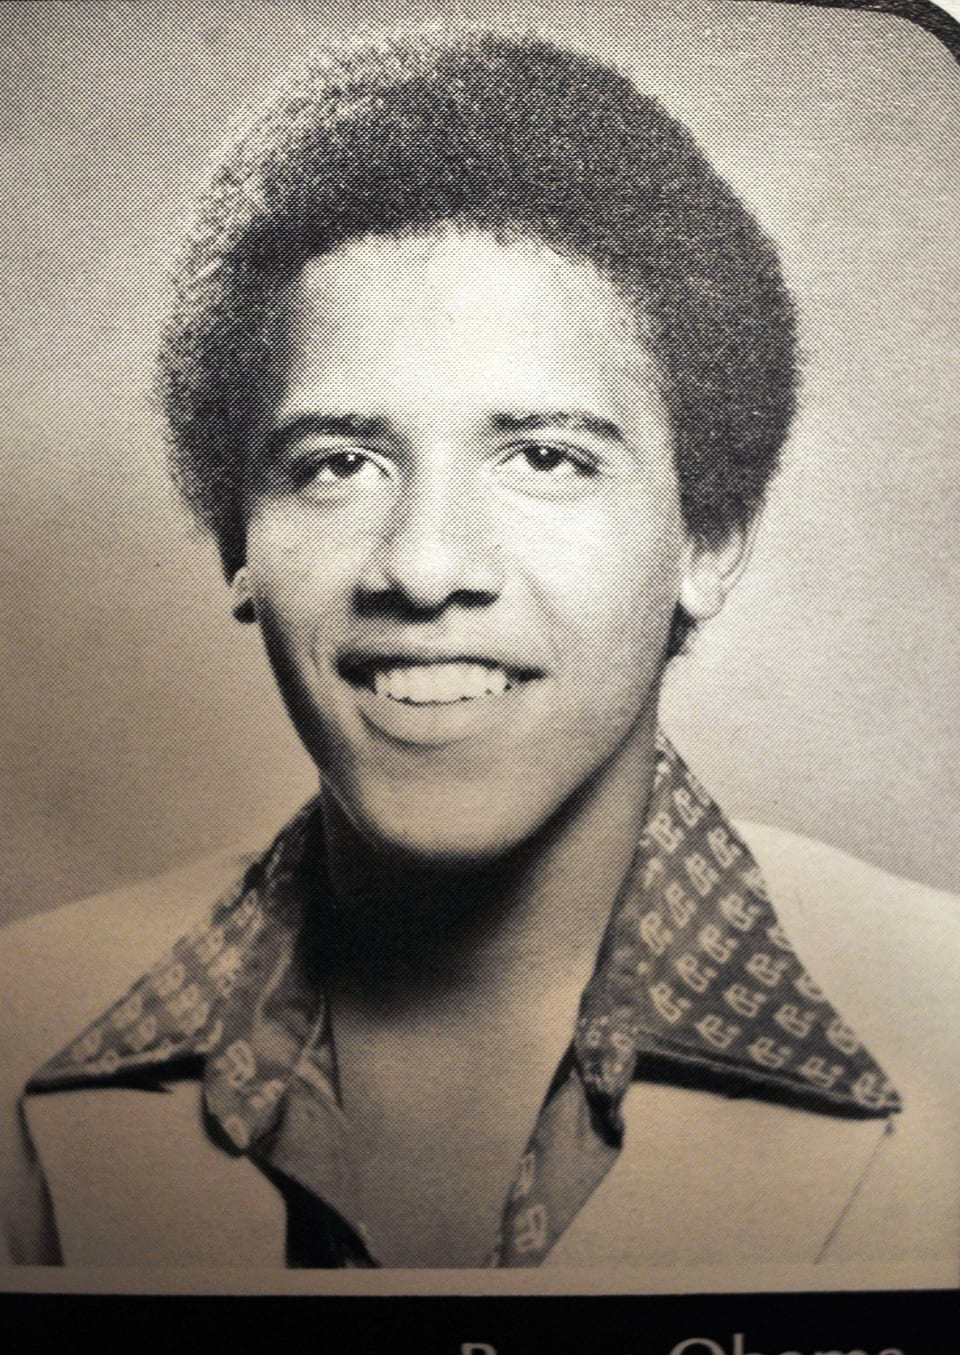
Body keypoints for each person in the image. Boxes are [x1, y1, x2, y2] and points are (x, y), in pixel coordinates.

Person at [2, 30, 958, 1280]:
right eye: (339, 463)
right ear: (240, 540)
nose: (424, 564)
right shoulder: (19, 1026)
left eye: (547, 457)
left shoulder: (945, 1013)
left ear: (708, 536)